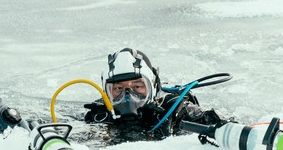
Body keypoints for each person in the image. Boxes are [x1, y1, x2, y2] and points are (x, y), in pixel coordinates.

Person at [82, 47, 227, 144]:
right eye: (118, 88)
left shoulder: (175, 110)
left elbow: (223, 128)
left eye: (137, 87)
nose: (128, 95)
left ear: (152, 85)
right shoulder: (99, 114)